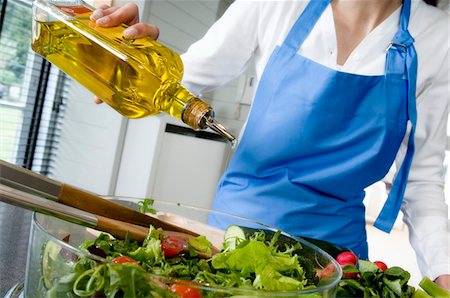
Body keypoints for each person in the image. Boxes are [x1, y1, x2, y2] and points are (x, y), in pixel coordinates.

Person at [90, 0, 450, 289]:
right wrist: (126, 56)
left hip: (335, 263)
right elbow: (172, 90)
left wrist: (444, 273)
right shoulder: (276, 4)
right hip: (234, 242)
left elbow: (420, 182)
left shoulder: (438, 37)